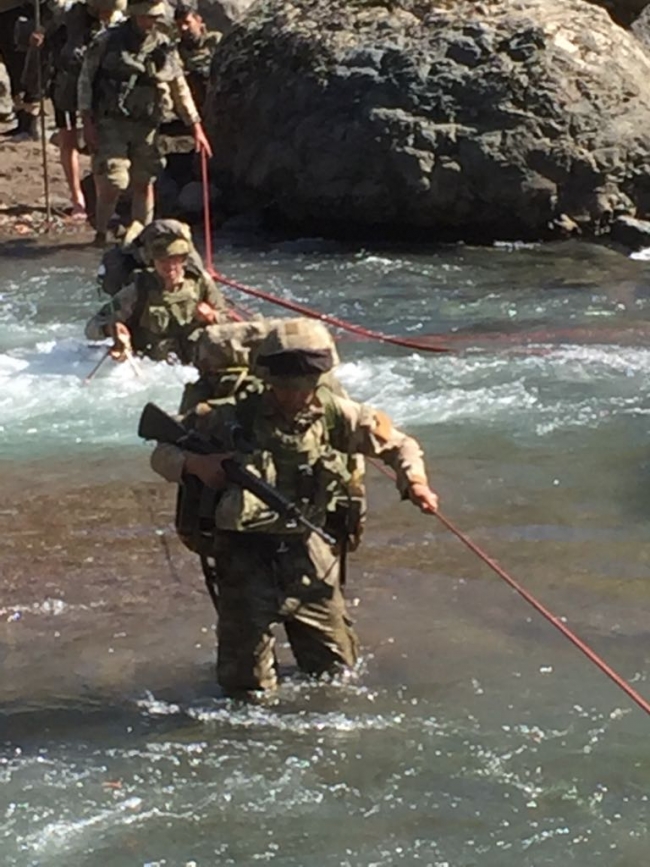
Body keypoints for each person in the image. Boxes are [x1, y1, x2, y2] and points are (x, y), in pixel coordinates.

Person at [149, 319, 439, 698]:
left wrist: (414, 483)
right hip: (243, 554)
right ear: (268, 379)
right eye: (285, 386)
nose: (296, 395)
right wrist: (198, 465)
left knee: (337, 675)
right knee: (246, 689)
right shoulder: (227, 415)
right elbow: (161, 452)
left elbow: (400, 445)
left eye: (305, 385)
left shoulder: (336, 414)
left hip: (309, 549)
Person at [77, 0, 213, 246]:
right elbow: (86, 80)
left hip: (147, 124)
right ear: (135, 15)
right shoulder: (108, 41)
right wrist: (86, 120)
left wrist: (196, 127)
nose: (151, 21)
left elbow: (179, 88)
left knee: (145, 180)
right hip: (111, 121)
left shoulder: (163, 46)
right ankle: (101, 232)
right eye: (147, 17)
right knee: (113, 179)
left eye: (155, 17)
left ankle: (142, 236)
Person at [29, 0, 125, 219]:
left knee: (100, 142)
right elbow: (51, 15)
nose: (108, 14)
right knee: (68, 140)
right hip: (67, 84)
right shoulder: (70, 11)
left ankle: (103, 200)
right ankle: (77, 199)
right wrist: (39, 36)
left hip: (99, 85)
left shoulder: (119, 20)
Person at [85, 229, 231, 363]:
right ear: (153, 262)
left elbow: (230, 323)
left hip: (193, 362)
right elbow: (91, 328)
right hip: (150, 363)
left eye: (174, 259)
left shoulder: (201, 283)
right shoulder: (138, 289)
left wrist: (212, 316)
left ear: (183, 259)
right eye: (162, 260)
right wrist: (112, 329)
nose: (169, 266)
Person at [173, 0, 221, 115]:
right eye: (179, 25)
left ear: (198, 20)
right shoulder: (177, 49)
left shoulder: (215, 40)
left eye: (187, 22)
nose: (184, 28)